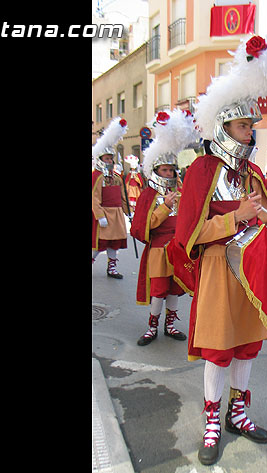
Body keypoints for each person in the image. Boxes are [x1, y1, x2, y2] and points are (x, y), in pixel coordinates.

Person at [166, 30, 267, 466]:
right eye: (242, 125)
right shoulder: (202, 169)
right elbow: (190, 234)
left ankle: (238, 412)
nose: (250, 132)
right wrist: (236, 217)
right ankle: (212, 420)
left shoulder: (250, 172)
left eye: (251, 125)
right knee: (219, 348)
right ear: (224, 126)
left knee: (248, 345)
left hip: (251, 270)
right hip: (217, 270)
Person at [131, 109, 200, 347]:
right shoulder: (149, 194)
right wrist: (164, 208)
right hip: (159, 251)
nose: (169, 173)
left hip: (177, 249)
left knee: (175, 289)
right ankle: (152, 327)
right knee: (158, 290)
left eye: (171, 170)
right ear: (156, 170)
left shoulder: (179, 192)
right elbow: (143, 227)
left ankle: (170, 325)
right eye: (164, 170)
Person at [92, 117, 130, 279]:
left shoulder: (116, 177)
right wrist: (100, 216)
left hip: (116, 215)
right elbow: (94, 198)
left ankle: (112, 267)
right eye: (106, 159)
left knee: (114, 243)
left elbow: (123, 196)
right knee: (99, 243)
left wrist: (129, 212)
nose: (109, 161)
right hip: (104, 214)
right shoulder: (96, 177)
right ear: (100, 160)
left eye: (110, 158)